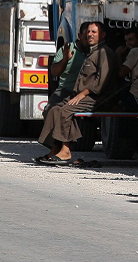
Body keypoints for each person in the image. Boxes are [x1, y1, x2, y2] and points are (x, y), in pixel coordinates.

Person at [36, 21, 112, 166]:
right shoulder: (90, 51)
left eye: (94, 32)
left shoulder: (103, 52)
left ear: (102, 35)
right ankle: (55, 148)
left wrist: (81, 94)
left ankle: (66, 150)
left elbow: (101, 82)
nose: (90, 35)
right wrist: (66, 59)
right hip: (75, 93)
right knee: (54, 110)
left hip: (95, 96)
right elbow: (55, 71)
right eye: (88, 32)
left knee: (65, 110)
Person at [49, 22, 90, 104]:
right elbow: (54, 72)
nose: (89, 41)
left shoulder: (97, 52)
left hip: (86, 94)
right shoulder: (68, 49)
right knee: (51, 108)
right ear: (79, 36)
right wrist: (65, 60)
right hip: (66, 91)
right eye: (86, 38)